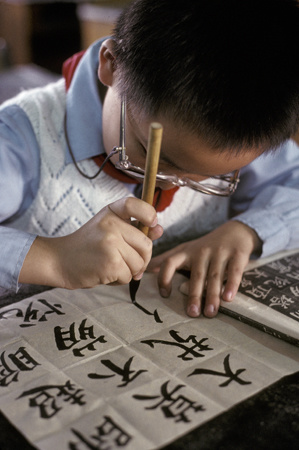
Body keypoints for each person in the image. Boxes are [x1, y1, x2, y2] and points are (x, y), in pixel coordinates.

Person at [0, 0, 299, 319]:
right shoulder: (19, 139)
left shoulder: (245, 127)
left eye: (213, 176)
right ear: (111, 65)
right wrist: (53, 258)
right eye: (150, 153)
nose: (167, 185)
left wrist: (247, 231)